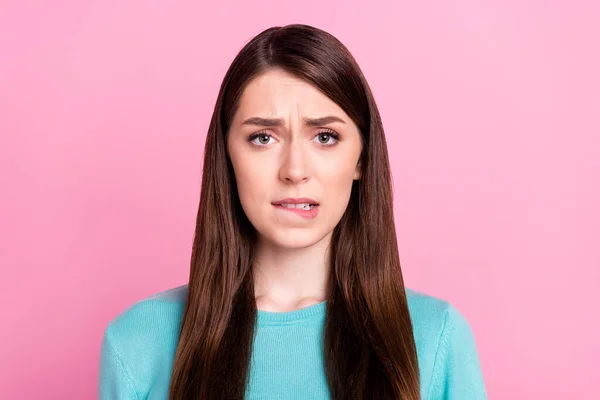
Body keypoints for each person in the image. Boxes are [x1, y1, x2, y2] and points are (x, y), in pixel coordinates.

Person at [98, 24, 487, 400]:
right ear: (228, 156)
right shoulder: (137, 343)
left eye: (325, 137)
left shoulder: (436, 337)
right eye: (263, 138)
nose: (295, 170)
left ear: (362, 159)